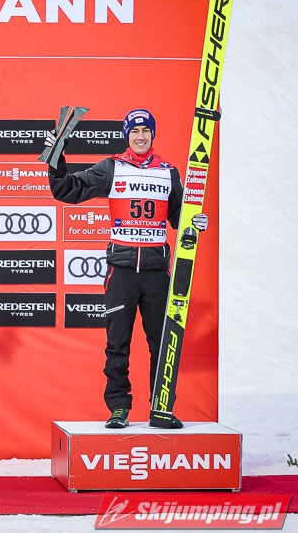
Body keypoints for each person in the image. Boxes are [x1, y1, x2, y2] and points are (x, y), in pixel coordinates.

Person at [45, 108, 207, 429]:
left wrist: (195, 221)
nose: (141, 137)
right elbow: (68, 189)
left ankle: (162, 407)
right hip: (121, 271)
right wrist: (56, 158)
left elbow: (179, 217)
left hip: (156, 272)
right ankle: (119, 407)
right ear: (127, 136)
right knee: (117, 344)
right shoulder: (113, 167)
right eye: (135, 131)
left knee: (162, 343)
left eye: (146, 131)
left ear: (153, 134)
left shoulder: (168, 172)